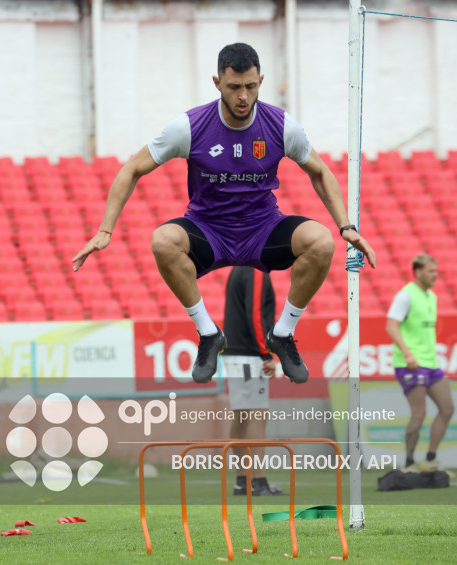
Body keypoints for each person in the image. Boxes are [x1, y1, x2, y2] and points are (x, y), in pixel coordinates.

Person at [72, 42, 375, 384]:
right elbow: (132, 169)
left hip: (262, 230)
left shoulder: (281, 126)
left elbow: (319, 171)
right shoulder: (190, 127)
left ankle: (283, 334)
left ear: (261, 81)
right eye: (234, 87)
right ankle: (208, 334)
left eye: (251, 86)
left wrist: (345, 226)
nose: (243, 96)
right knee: (162, 240)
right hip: (209, 231)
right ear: (217, 83)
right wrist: (105, 229)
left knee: (321, 241)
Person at [385, 254, 455, 477]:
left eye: (436, 271)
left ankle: (430, 460)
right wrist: (407, 354)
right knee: (419, 413)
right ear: (417, 272)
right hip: (410, 364)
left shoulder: (431, 296)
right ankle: (408, 463)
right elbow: (391, 326)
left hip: (430, 363)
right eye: (430, 271)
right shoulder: (405, 295)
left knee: (447, 408)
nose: (435, 275)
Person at [223, 266, 286, 496]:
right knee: (257, 415)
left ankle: (243, 481)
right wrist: (265, 354)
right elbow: (256, 314)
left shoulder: (238, 268)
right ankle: (258, 481)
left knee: (241, 416)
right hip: (249, 355)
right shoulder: (255, 269)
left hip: (235, 352)